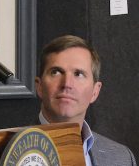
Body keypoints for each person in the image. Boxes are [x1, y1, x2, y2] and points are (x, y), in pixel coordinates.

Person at [35, 35, 136, 166]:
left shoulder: (122, 158)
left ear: (95, 91)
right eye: (56, 72)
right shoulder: (5, 151)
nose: (67, 84)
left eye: (79, 74)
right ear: (39, 86)